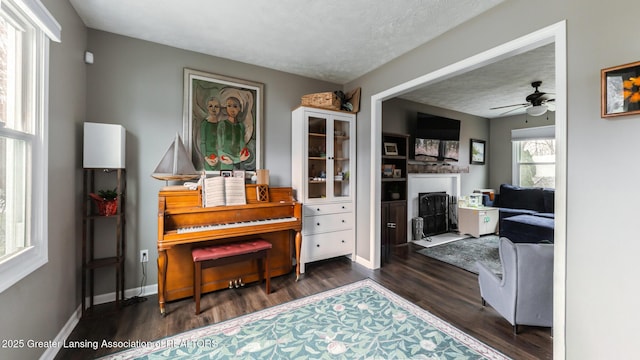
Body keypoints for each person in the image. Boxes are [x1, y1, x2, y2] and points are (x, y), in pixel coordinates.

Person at [217, 88, 253, 168]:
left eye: (235, 106)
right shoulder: (222, 124)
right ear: (225, 108)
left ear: (240, 108)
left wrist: (240, 157)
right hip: (225, 161)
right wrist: (236, 159)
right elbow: (220, 147)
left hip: (238, 164)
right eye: (229, 106)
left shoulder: (241, 126)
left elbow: (242, 144)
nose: (232, 109)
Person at [197, 96, 222, 170]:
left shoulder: (221, 124)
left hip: (219, 156)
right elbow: (203, 142)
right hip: (208, 156)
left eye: (216, 106)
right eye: (211, 106)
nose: (213, 109)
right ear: (207, 108)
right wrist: (206, 158)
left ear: (219, 109)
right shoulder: (205, 124)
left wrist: (219, 156)